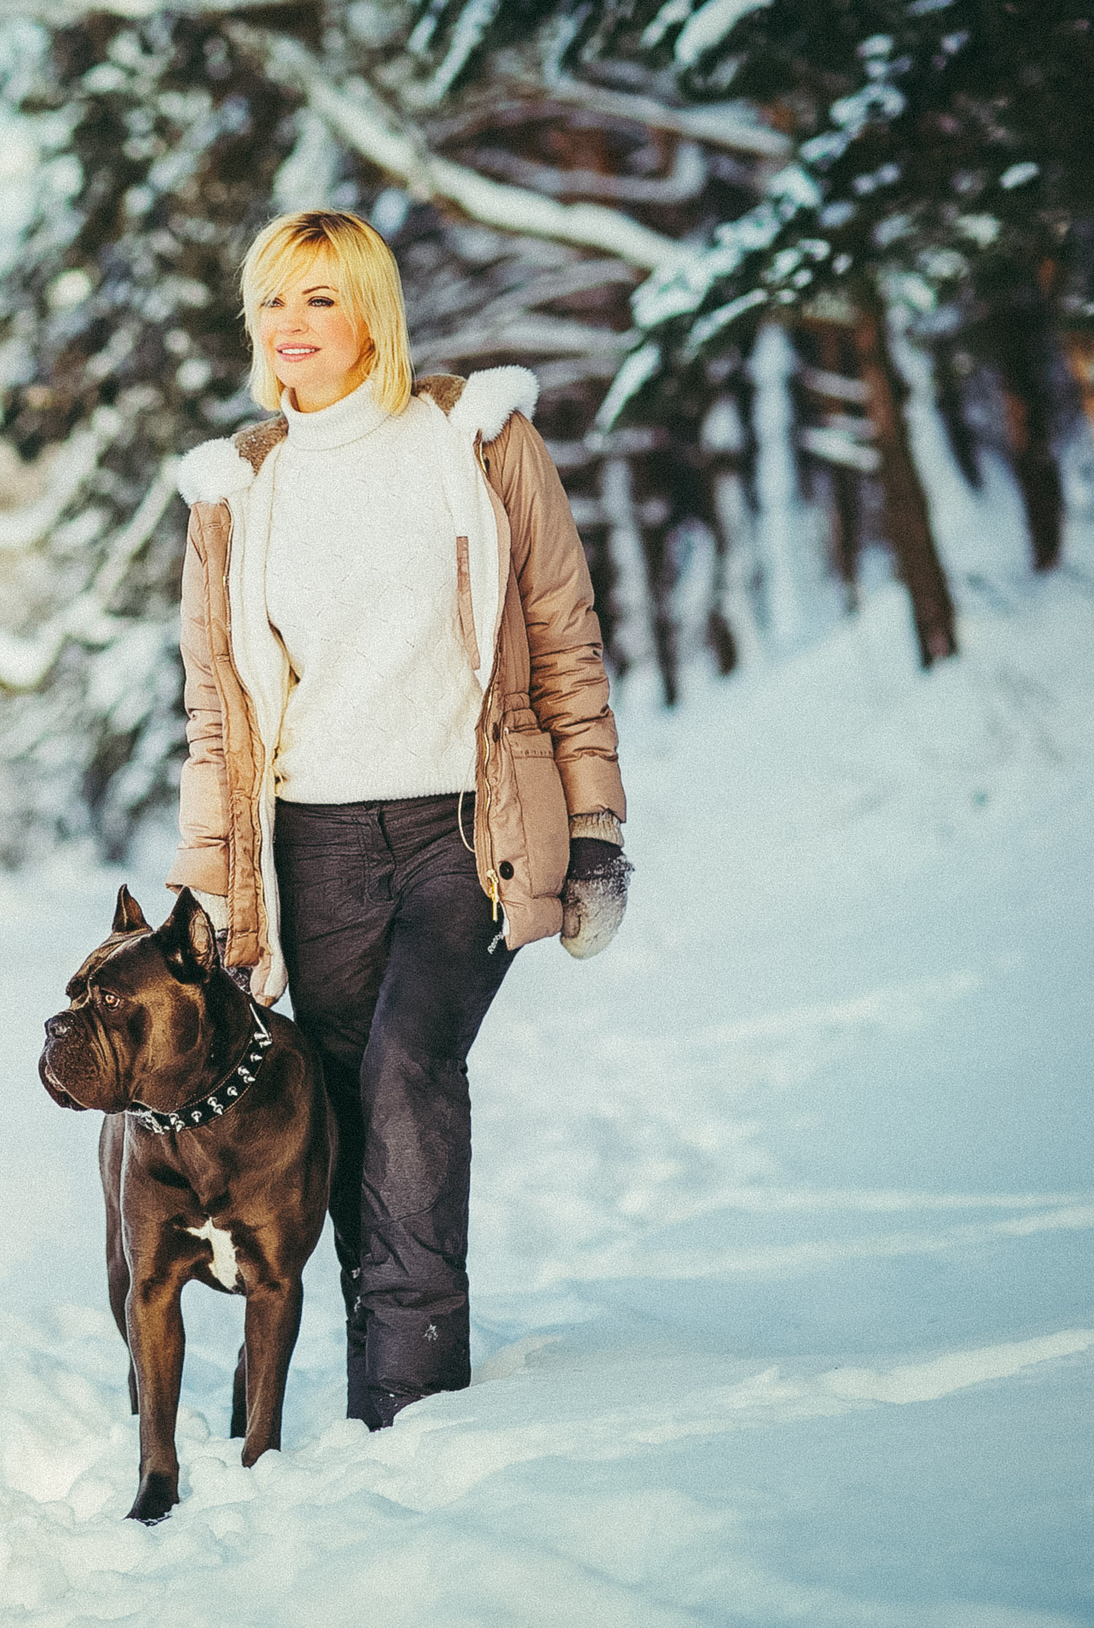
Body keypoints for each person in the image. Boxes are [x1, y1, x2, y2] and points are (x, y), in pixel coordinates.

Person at [167, 208, 630, 1430]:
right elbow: (217, 718)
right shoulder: (236, 493)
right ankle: (369, 1364)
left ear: (371, 311)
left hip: (461, 832)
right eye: (273, 300)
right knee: (337, 1100)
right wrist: (209, 889)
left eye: (320, 299)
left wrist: (593, 830)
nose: (291, 327)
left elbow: (563, 640)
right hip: (309, 844)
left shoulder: (474, 444)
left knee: (411, 1068)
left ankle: (415, 1400)